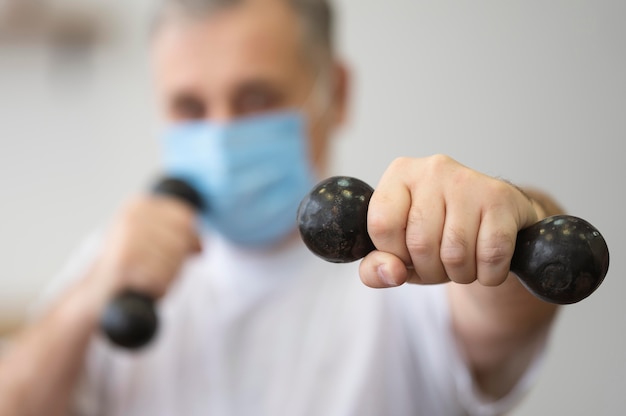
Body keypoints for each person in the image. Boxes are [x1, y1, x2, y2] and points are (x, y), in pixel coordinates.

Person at [0, 0, 564, 414]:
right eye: (189, 106)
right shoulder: (115, 266)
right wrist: (83, 304)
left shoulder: (412, 261)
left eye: (255, 99)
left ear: (337, 94)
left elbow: (514, 309)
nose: (220, 133)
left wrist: (512, 216)